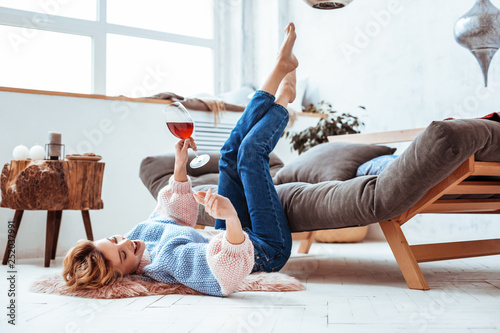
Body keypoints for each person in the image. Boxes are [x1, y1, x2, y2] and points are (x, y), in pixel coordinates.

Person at [62, 22, 299, 297]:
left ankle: (280, 77)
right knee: (248, 156)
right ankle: (282, 98)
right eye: (123, 255)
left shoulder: (140, 234)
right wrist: (231, 218)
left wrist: (180, 163)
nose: (128, 242)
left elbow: (173, 214)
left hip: (225, 237)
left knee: (229, 156)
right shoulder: (169, 263)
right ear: (123, 276)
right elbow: (224, 277)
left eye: (115, 239)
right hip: (262, 249)